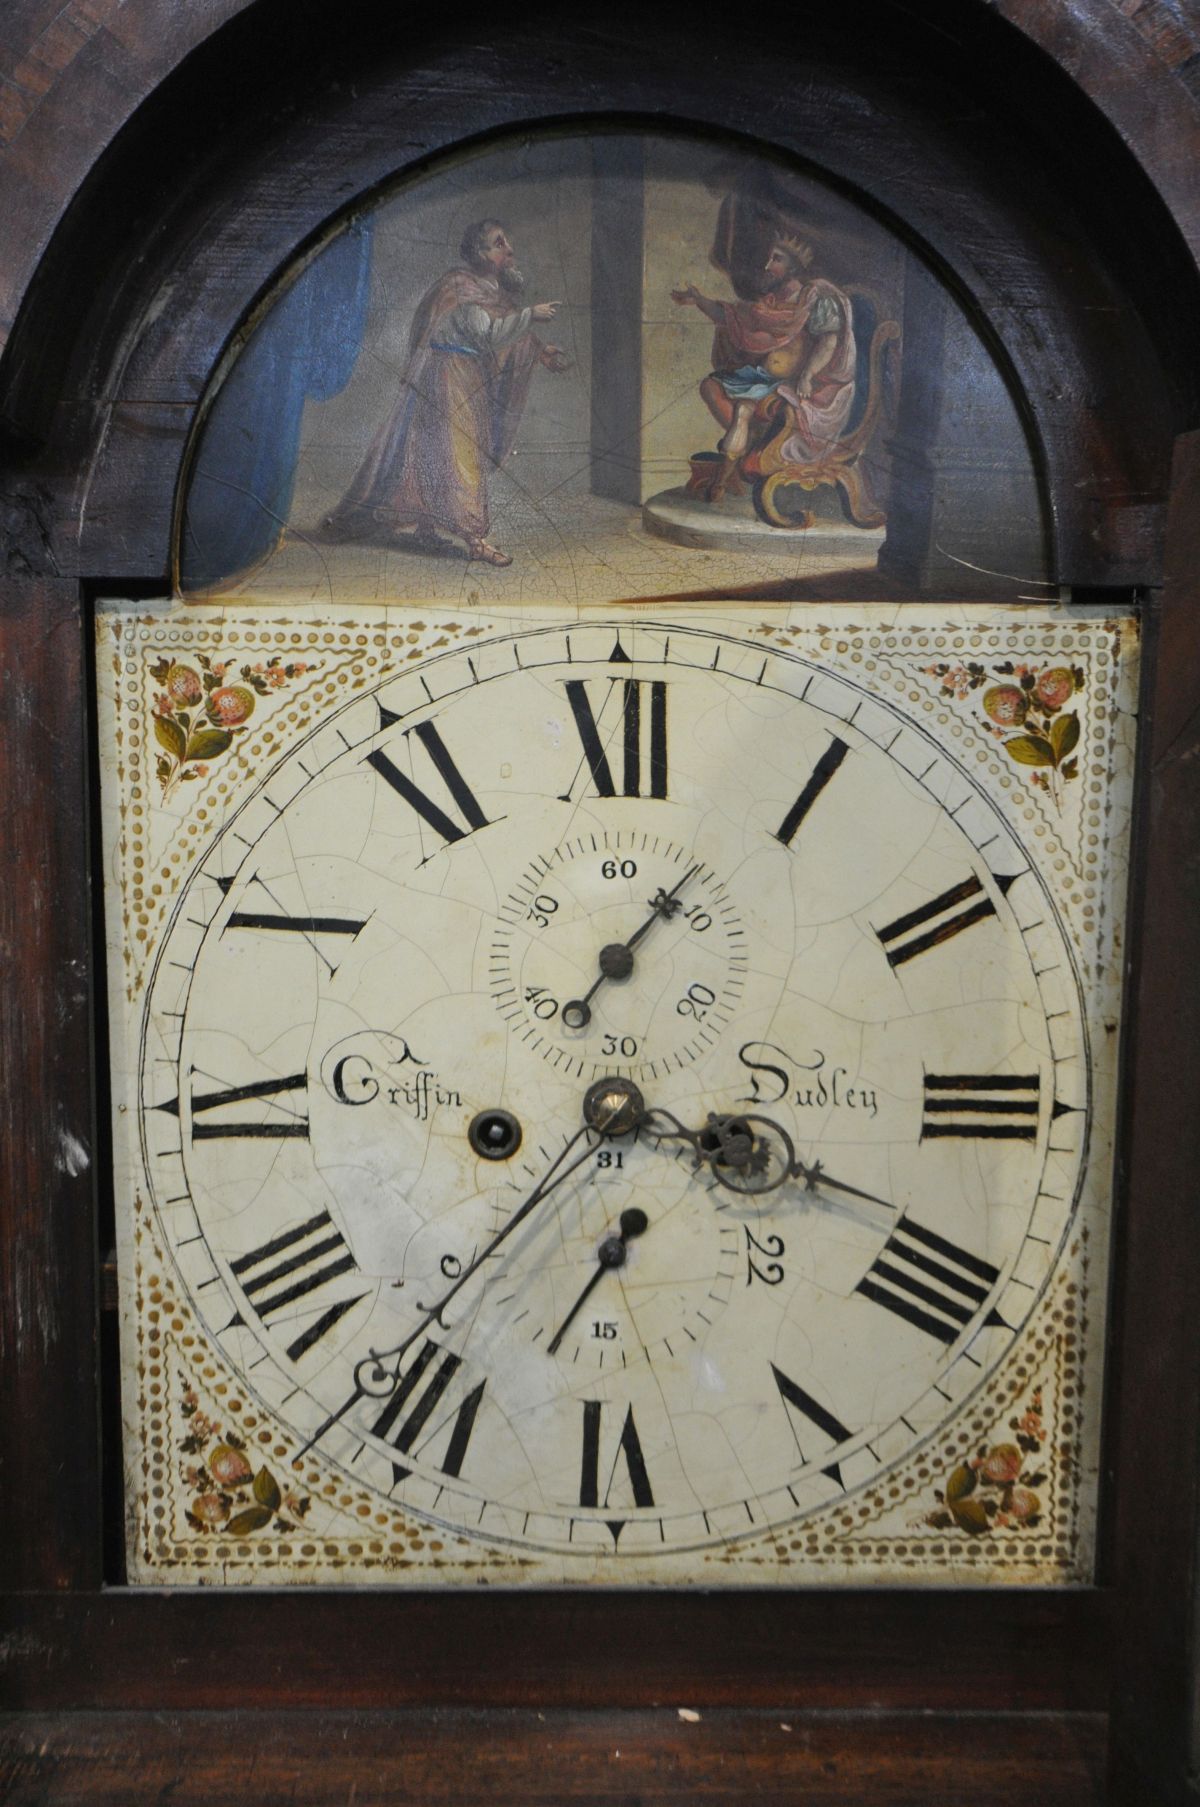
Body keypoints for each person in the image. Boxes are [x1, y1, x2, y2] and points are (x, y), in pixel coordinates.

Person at [325, 220, 567, 566]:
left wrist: (541, 353)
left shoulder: (492, 293)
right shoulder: (462, 289)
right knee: (457, 455)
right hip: (448, 375)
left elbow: (509, 332)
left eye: (507, 242)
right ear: (480, 253)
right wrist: (531, 314)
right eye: (499, 243)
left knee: (440, 451)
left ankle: (428, 525)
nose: (509, 250)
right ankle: (475, 539)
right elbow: (488, 336)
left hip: (467, 376)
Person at [672, 234, 855, 488]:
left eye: (776, 259)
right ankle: (748, 448)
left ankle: (733, 467)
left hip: (793, 383)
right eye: (769, 258)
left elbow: (830, 341)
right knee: (710, 386)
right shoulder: (770, 303)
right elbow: (732, 317)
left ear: (792, 266)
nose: (768, 266)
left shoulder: (814, 298)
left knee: (744, 409)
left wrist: (807, 375)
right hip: (763, 377)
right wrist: (699, 301)